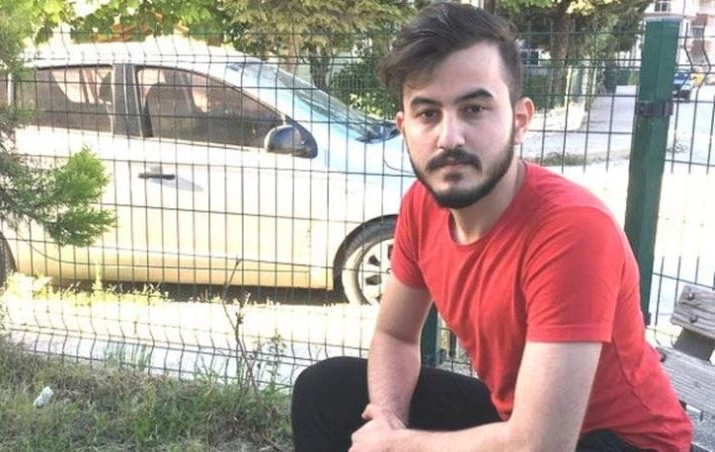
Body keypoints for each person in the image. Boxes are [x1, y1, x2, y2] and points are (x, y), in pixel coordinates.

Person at [290, 3, 693, 451]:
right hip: (524, 420)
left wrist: (396, 446)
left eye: (475, 109)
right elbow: (395, 335)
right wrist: (387, 418)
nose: (450, 137)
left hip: (621, 442)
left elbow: (540, 445)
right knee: (326, 390)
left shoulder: (572, 229)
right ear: (404, 127)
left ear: (519, 121)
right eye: (428, 113)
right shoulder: (422, 206)